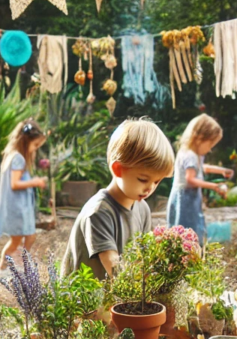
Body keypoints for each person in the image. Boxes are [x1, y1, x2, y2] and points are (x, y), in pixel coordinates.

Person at [62, 118, 175, 281]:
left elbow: (144, 256)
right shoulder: (98, 212)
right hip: (84, 302)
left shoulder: (142, 208)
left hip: (118, 298)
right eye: (143, 179)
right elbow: (114, 267)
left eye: (157, 181)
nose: (150, 188)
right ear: (118, 169)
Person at [166, 114, 233, 244]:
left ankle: (191, 251)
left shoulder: (193, 153)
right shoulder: (190, 155)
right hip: (185, 198)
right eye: (210, 144)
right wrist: (213, 186)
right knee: (186, 229)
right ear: (200, 139)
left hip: (189, 197)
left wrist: (221, 171)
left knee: (191, 226)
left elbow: (201, 168)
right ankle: (187, 253)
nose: (210, 149)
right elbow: (190, 179)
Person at [0, 119, 48, 281]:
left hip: (18, 206)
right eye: (35, 145)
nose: (35, 150)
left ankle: (21, 264)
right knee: (16, 239)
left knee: (30, 236)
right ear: (25, 141)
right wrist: (35, 182)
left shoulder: (12, 156)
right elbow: (15, 183)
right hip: (16, 208)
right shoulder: (18, 158)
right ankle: (2, 268)